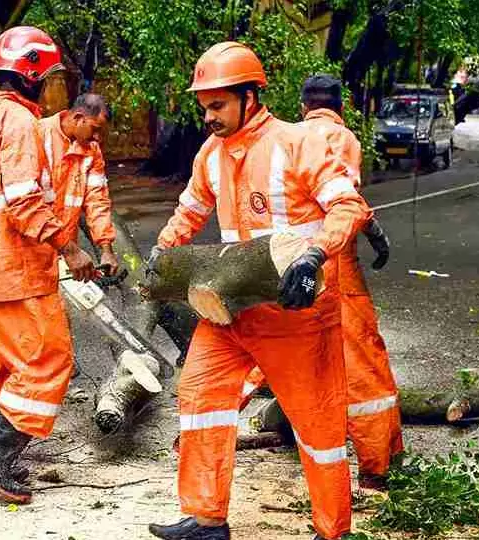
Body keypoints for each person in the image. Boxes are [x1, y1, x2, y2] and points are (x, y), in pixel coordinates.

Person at [146, 43, 372, 540]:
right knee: (200, 397)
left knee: (317, 424)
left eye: (218, 105)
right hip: (231, 310)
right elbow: (189, 211)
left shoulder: (297, 143)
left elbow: (347, 207)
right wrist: (162, 251)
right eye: (204, 106)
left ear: (251, 96)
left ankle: (332, 530)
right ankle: (206, 519)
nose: (208, 117)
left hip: (296, 311)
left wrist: (315, 254)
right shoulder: (211, 153)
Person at [0, 25, 96, 504]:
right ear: (32, 74)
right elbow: (23, 201)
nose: (51, 84)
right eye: (48, 76)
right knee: (49, 361)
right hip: (18, 272)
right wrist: (69, 248)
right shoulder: (20, 125)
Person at [233, 75, 403, 491]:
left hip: (283, 260)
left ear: (303, 104)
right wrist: (374, 232)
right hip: (332, 264)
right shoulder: (342, 137)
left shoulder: (284, 136)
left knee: (261, 348)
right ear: (341, 105)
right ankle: (377, 465)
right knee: (362, 363)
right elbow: (344, 200)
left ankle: (206, 433)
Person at [39, 93, 118, 273]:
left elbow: (97, 201)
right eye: (95, 129)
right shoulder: (37, 134)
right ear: (78, 118)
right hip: (32, 248)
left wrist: (106, 248)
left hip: (66, 250)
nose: (97, 138)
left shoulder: (92, 150)